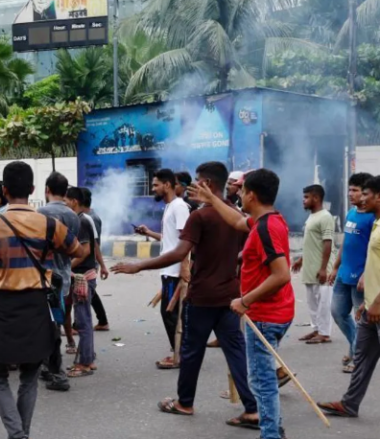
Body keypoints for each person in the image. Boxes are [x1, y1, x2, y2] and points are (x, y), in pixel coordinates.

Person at [113, 162, 258, 429]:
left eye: (197, 181)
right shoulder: (236, 215)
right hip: (229, 296)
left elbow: (180, 253)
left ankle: (185, 402)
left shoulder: (200, 216)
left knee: (191, 352)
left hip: (202, 297)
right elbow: (243, 253)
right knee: (236, 351)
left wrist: (138, 265)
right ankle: (252, 409)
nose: (191, 186)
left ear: (209, 186)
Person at [0, 161, 84, 439]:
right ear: (34, 189)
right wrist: (50, 264)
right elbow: (78, 250)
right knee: (29, 376)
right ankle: (21, 434)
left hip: (4, 306)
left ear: (3, 190)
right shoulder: (49, 224)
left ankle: (17, 435)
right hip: (37, 307)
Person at [190, 168, 295, 439]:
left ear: (251, 195)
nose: (237, 192)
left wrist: (245, 300)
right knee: (263, 377)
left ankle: (271, 434)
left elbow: (281, 274)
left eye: (242, 188)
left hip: (265, 314)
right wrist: (213, 200)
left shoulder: (266, 228)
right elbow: (237, 222)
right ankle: (274, 428)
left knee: (261, 382)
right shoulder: (267, 220)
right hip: (274, 311)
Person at [318, 175, 380, 418]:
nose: (360, 198)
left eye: (366, 194)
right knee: (362, 356)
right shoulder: (375, 223)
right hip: (371, 306)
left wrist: (376, 301)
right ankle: (350, 403)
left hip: (377, 305)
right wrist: (368, 302)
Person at [134, 169, 191, 369]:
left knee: (170, 314)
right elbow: (171, 239)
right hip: (169, 270)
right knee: (171, 313)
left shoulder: (179, 207)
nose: (153, 189)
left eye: (156, 185)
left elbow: (187, 239)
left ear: (167, 185)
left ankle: (180, 355)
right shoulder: (170, 207)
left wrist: (185, 268)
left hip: (175, 271)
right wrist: (148, 232)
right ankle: (179, 352)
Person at [37, 172, 80, 391]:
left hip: (44, 279)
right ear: (65, 192)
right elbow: (74, 248)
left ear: (47, 189)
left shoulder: (41, 213)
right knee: (54, 322)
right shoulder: (73, 215)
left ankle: (56, 371)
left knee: (49, 327)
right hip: (63, 277)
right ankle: (49, 367)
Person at [328, 173, 375, 373]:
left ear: (366, 194)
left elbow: (374, 252)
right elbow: (346, 243)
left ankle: (359, 357)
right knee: (338, 312)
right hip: (344, 274)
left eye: (355, 190)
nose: (351, 194)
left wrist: (366, 274)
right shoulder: (351, 214)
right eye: (350, 189)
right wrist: (336, 266)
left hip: (360, 279)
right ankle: (355, 347)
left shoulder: (374, 218)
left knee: (362, 320)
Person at [293, 184, 334, 344]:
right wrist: (301, 260)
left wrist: (324, 268)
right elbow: (311, 242)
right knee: (312, 302)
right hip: (310, 269)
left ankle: (324, 333)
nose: (303, 200)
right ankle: (316, 329)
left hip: (321, 269)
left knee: (323, 303)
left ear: (316, 198)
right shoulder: (311, 216)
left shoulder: (325, 217)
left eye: (306, 197)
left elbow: (327, 243)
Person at [65, 187, 100, 377]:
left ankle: (85, 363)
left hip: (82, 277)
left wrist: (67, 267)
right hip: (83, 275)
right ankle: (88, 358)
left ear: (74, 202)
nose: (65, 204)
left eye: (67, 201)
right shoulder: (80, 220)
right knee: (83, 318)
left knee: (83, 320)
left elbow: (85, 251)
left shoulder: (82, 221)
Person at [81, 188, 110, 331]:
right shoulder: (86, 216)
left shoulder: (91, 218)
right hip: (89, 260)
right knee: (90, 292)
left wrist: (101, 265)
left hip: (90, 261)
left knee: (87, 292)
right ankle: (102, 320)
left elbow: (94, 244)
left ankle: (100, 321)